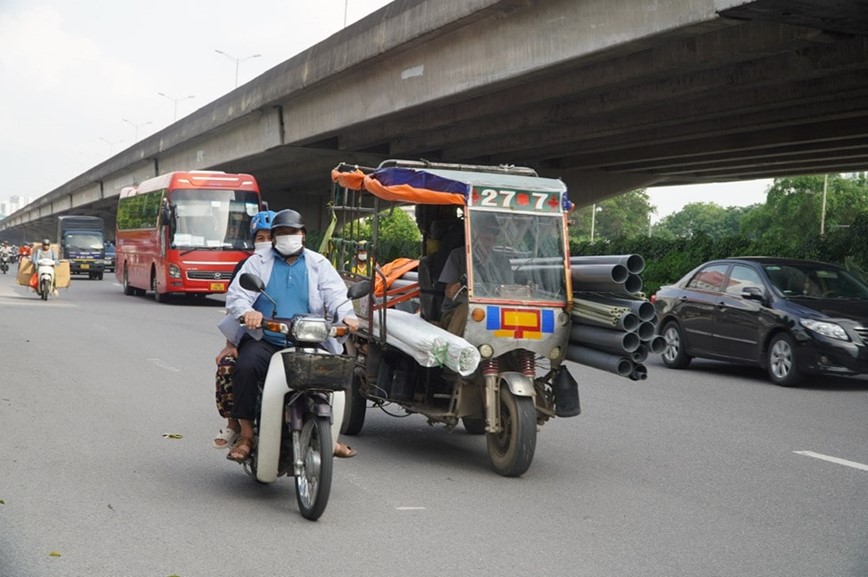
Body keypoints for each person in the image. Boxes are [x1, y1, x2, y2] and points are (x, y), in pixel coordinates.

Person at [223, 209, 361, 462]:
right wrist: (248, 312)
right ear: (274, 237)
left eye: (293, 232)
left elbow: (337, 295)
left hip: (309, 338)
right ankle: (245, 435)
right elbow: (237, 296)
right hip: (267, 338)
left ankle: (329, 433)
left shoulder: (319, 263)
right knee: (245, 368)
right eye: (282, 233)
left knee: (333, 374)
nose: (288, 237)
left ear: (303, 235)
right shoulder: (257, 261)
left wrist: (347, 317)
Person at [212, 210, 275, 449]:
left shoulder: (305, 263)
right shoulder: (248, 265)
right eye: (261, 237)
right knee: (228, 366)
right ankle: (235, 425)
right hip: (253, 335)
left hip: (293, 335)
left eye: (271, 235)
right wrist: (231, 344)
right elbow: (234, 306)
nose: (266, 241)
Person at [437, 214, 514, 336]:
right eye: (485, 230)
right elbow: (449, 292)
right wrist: (456, 288)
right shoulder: (458, 256)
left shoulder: (502, 261)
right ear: (474, 232)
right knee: (468, 309)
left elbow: (510, 291)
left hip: (494, 311)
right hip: (457, 311)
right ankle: (455, 351)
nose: (490, 236)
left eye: (495, 232)